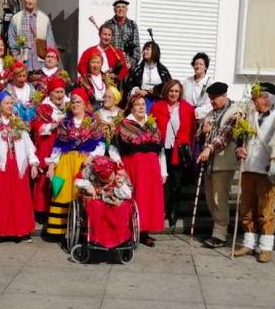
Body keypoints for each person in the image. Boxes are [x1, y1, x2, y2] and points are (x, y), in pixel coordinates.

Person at [232, 82, 275, 263]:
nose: (254, 99)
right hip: (248, 168)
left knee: (266, 210)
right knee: (247, 207)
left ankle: (266, 247)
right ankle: (248, 243)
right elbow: (241, 137)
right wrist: (239, 149)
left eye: (258, 96)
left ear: (267, 98)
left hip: (266, 170)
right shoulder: (250, 114)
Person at [45, 88, 105, 237]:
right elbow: (57, 147)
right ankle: (61, 229)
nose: (75, 104)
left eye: (78, 101)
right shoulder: (65, 123)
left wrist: (90, 158)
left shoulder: (93, 122)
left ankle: (82, 230)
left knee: (81, 193)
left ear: (85, 103)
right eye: (73, 101)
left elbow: (100, 144)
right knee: (62, 191)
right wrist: (51, 167)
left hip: (84, 161)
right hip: (66, 160)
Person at [109, 94, 167, 247]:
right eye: (137, 105)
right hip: (132, 166)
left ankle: (144, 232)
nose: (141, 107)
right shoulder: (123, 125)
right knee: (134, 197)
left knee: (149, 199)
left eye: (143, 104)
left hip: (151, 167)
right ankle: (130, 231)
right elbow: (114, 148)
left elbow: (160, 151)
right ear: (131, 108)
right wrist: (118, 162)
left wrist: (163, 172)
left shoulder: (152, 126)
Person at [0, 91, 39, 242]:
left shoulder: (18, 122)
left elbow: (28, 145)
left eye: (11, 103)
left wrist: (33, 163)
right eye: (6, 103)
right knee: (1, 198)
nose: (10, 106)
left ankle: (22, 231)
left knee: (20, 198)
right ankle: (0, 231)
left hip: (18, 165)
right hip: (0, 166)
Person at [196, 82, 244, 249]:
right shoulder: (210, 113)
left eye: (214, 98)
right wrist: (203, 132)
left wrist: (209, 148)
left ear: (224, 96)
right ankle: (217, 228)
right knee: (210, 198)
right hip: (209, 162)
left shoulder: (235, 113)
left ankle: (220, 234)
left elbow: (225, 136)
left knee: (219, 198)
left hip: (223, 162)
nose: (211, 101)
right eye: (210, 98)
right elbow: (198, 136)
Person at [151, 80, 196, 227]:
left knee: (176, 183)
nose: (173, 94)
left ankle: (173, 211)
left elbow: (192, 130)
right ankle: (161, 209)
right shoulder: (157, 107)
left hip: (178, 150)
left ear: (180, 93)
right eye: (171, 91)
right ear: (166, 91)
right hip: (161, 150)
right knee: (161, 182)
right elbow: (151, 127)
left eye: (176, 91)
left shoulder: (188, 108)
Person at [75, 156, 134, 249]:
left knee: (124, 207)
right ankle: (96, 239)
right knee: (95, 207)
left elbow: (128, 195)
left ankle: (122, 239)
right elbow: (77, 181)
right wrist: (88, 186)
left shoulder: (120, 174)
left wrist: (121, 186)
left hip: (116, 199)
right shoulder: (89, 171)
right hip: (97, 198)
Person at [30, 78, 68, 223]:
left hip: (62, 144)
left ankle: (56, 206)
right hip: (47, 143)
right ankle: (41, 210)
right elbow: (38, 126)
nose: (59, 95)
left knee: (59, 174)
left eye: (61, 92)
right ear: (50, 94)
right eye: (56, 92)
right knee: (44, 176)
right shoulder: (44, 108)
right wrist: (53, 126)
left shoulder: (68, 105)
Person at [8, 0, 59, 72]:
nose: (30, 1)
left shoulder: (44, 18)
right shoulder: (16, 18)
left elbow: (50, 40)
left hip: (41, 61)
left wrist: (50, 58)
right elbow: (11, 38)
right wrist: (17, 56)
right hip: (23, 60)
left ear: (36, 0)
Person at [125, 41, 172, 112]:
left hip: (158, 102)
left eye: (147, 49)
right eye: (144, 49)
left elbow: (169, 86)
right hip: (141, 101)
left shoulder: (163, 71)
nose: (144, 51)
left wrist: (158, 91)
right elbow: (129, 87)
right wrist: (138, 91)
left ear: (154, 51)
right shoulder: (137, 69)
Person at [105, 0, 140, 70]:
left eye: (123, 7)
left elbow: (137, 49)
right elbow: (103, 45)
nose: (121, 9)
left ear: (127, 9)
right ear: (114, 10)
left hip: (126, 67)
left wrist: (130, 64)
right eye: (118, 7)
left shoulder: (132, 25)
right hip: (111, 66)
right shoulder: (108, 24)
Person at [183, 53, 214, 121]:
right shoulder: (187, 81)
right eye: (196, 64)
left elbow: (210, 104)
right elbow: (183, 99)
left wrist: (196, 112)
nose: (198, 66)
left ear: (205, 67)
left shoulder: (210, 83)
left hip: (203, 118)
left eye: (201, 64)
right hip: (187, 117)